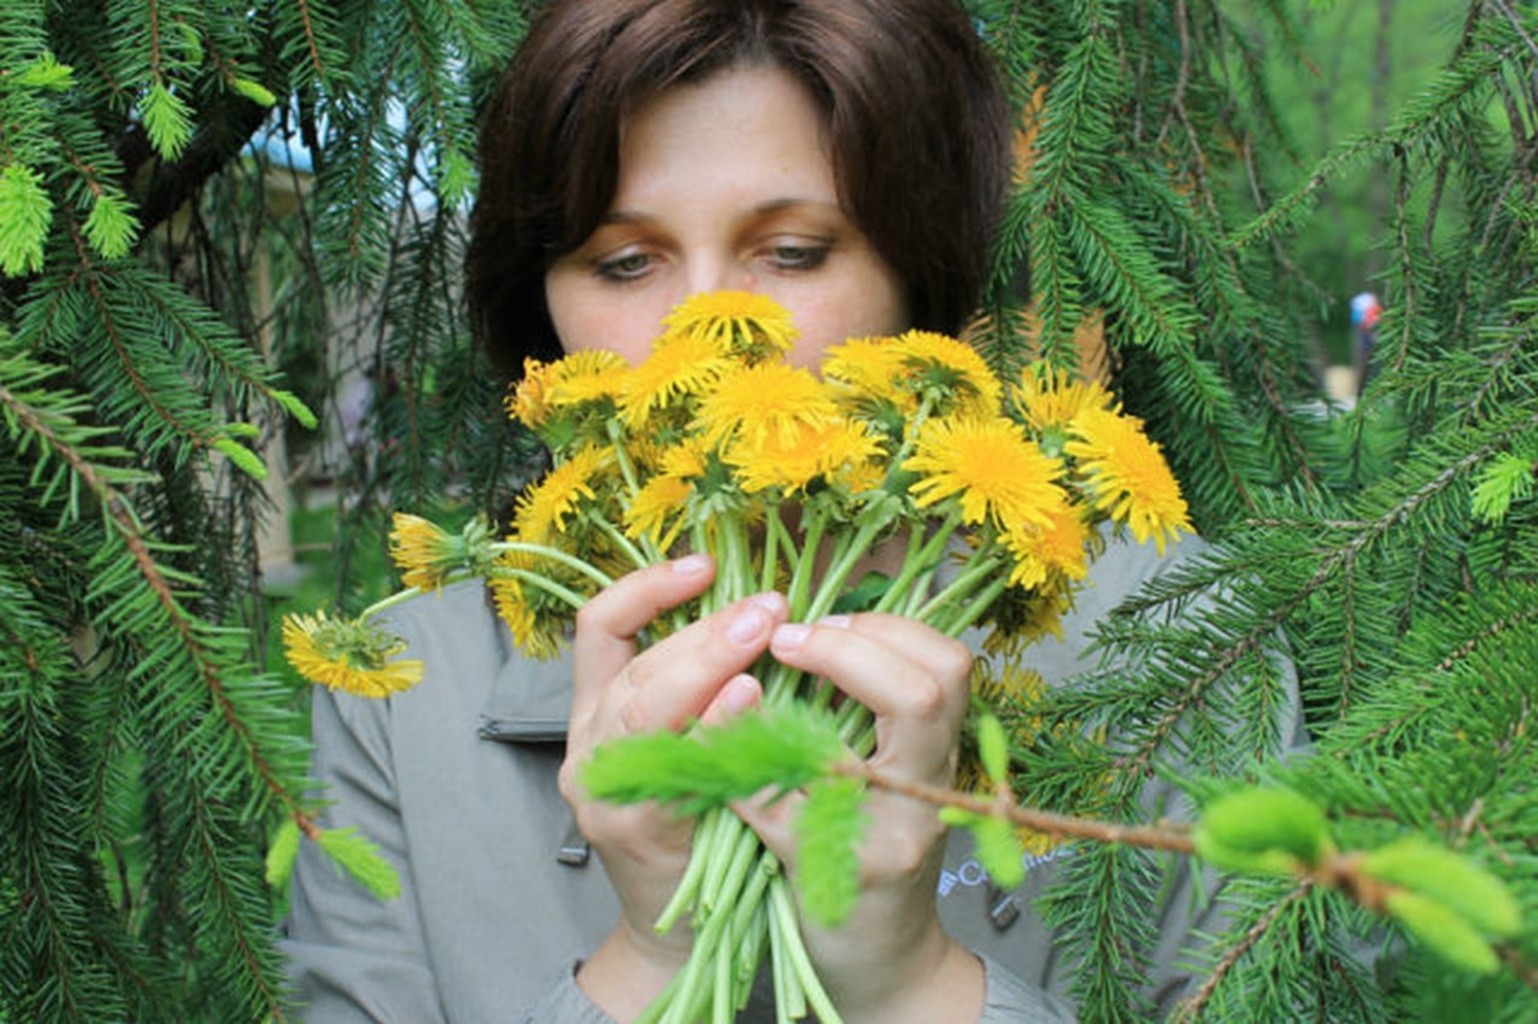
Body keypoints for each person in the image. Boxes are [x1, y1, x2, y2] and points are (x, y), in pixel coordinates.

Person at [282, 2, 1236, 1020]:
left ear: (915, 273)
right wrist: (652, 956)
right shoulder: (402, 697)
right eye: (623, 262)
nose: (707, 326)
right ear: (541, 311)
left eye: (790, 252)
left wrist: (907, 980)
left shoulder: (1179, 639)